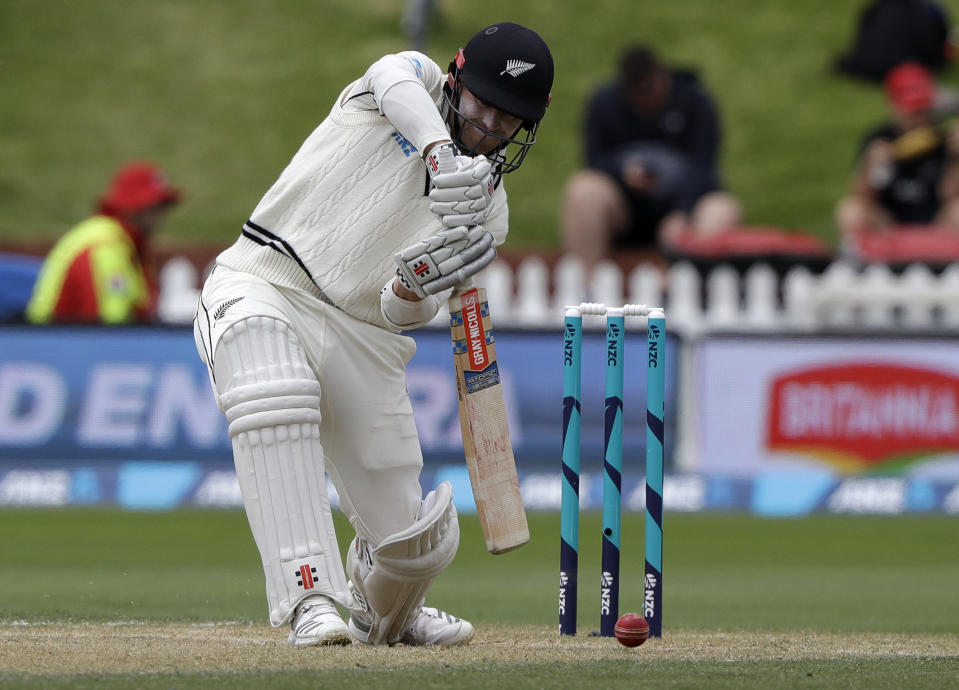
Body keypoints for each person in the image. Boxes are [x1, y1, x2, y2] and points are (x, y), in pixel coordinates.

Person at [193, 23, 553, 647]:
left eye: (506, 120)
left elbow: (400, 315)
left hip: (367, 340)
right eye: (481, 104)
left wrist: (414, 288)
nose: (488, 126)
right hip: (265, 282)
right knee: (270, 377)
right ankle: (310, 597)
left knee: (414, 547)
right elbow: (392, 75)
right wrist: (439, 155)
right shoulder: (407, 80)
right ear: (457, 80)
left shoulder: (489, 213)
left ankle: (384, 612)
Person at [561, 44, 741, 272]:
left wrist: (682, 212)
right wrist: (622, 173)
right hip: (626, 212)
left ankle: (692, 291)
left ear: (662, 77)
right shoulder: (603, 104)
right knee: (583, 190)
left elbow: (704, 168)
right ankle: (588, 289)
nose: (641, 100)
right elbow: (594, 161)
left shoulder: (697, 103)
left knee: (722, 209)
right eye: (633, 94)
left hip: (684, 209)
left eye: (646, 90)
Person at [25, 161, 180, 324]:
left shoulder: (126, 242)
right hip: (54, 344)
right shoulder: (104, 246)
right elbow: (108, 331)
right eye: (155, 207)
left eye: (164, 207)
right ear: (132, 207)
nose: (161, 216)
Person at [835, 61, 959, 249]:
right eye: (913, 112)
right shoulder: (879, 139)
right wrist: (870, 169)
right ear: (893, 106)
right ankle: (860, 266)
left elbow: (950, 196)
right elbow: (861, 198)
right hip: (891, 228)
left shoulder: (945, 139)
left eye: (924, 110)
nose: (920, 119)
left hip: (936, 225)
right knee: (849, 211)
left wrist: (955, 160)